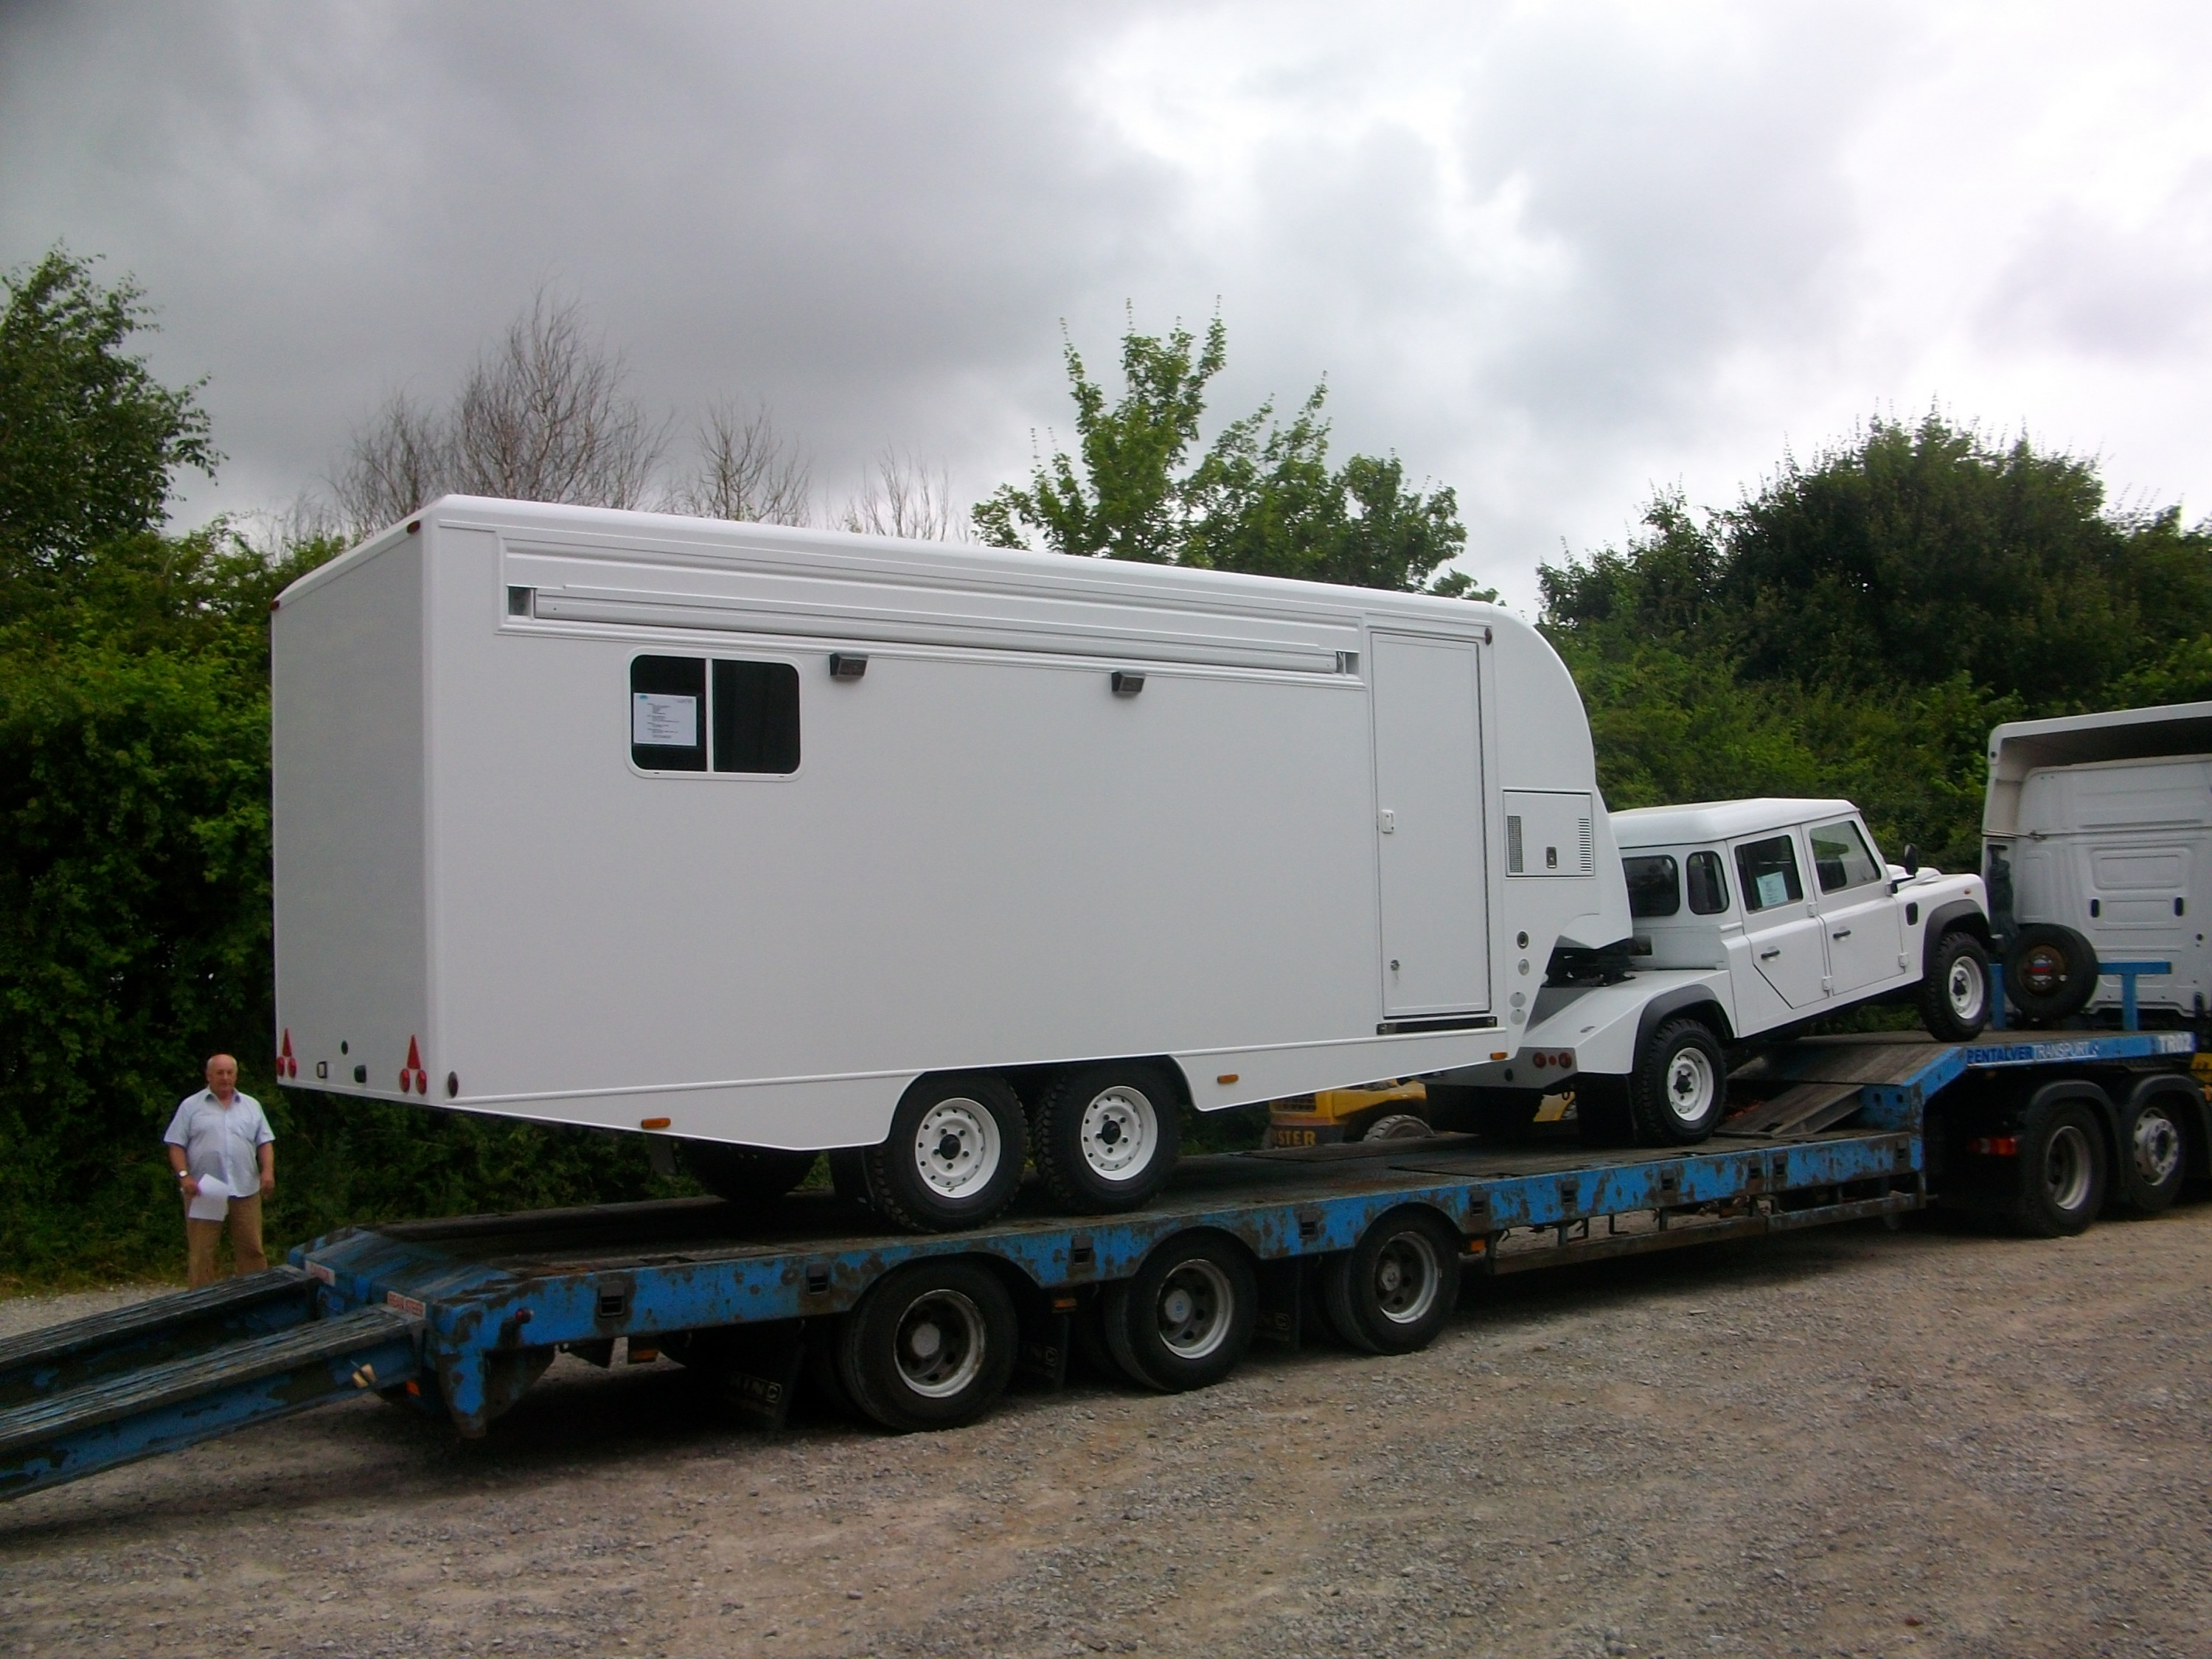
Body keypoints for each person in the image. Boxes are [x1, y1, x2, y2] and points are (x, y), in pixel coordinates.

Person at [164, 1054, 276, 1289]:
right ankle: (200, 1303)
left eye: (229, 1072)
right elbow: (175, 1144)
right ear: (208, 1075)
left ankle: (256, 1297)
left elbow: (264, 1142)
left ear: (236, 1075)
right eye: (219, 1073)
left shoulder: (251, 1105)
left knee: (252, 1249)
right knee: (201, 1253)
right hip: (205, 1190)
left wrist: (267, 1172)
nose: (225, 1078)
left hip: (245, 1187)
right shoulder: (191, 1106)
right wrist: (184, 1176)